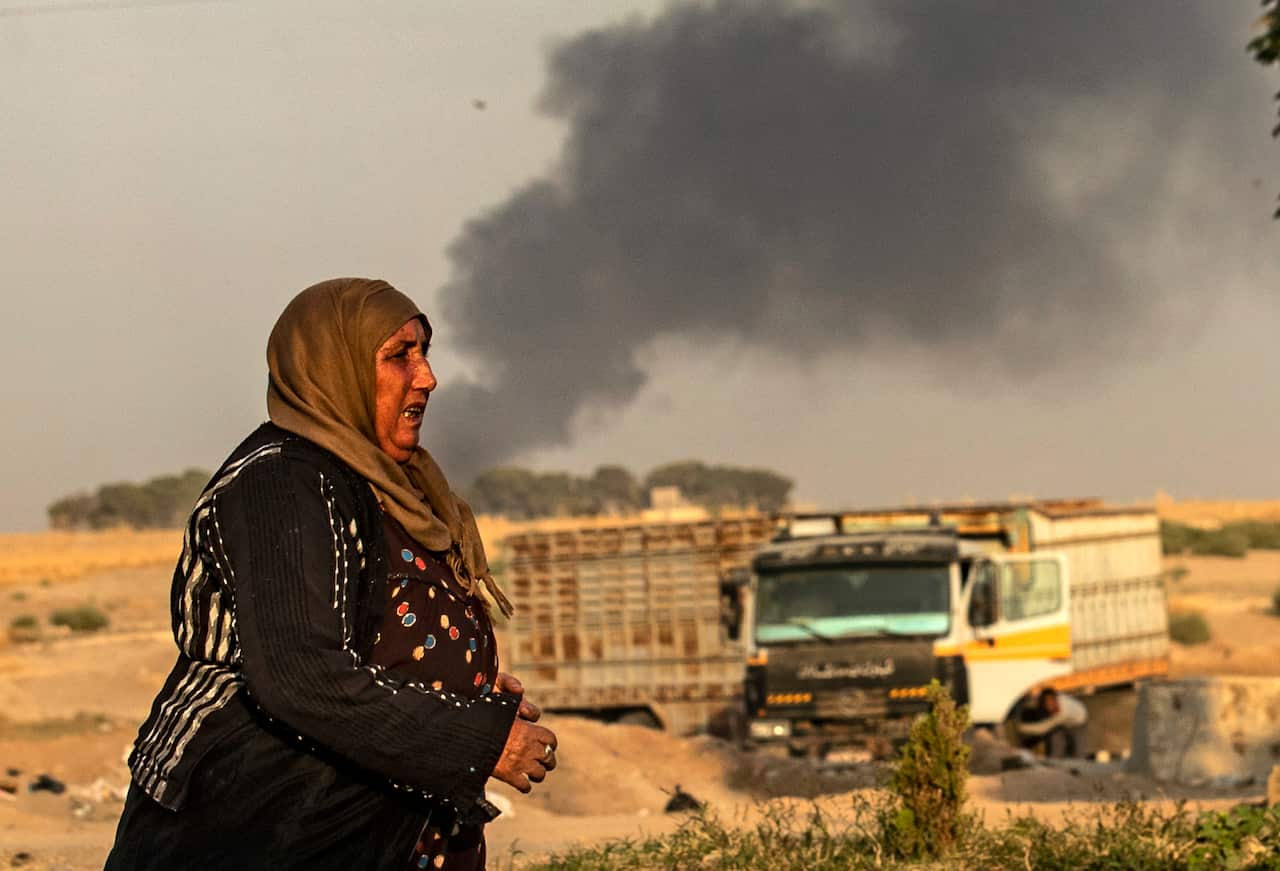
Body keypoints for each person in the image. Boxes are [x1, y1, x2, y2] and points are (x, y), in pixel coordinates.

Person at [105, 278, 556, 870]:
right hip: (261, 822)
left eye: (425, 352)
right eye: (400, 356)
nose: (427, 377)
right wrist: (474, 740)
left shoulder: (388, 486)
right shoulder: (284, 485)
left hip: (367, 819)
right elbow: (302, 675)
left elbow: (368, 632)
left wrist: (459, 691)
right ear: (332, 369)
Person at [1016, 688, 1088, 758]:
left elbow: (1042, 728)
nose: (1050, 705)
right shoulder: (1057, 700)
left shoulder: (1062, 713)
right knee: (1056, 742)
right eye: (1047, 703)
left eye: (1051, 701)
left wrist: (1021, 727)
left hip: (1079, 722)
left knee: (1078, 752)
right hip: (1068, 718)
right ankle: (1055, 761)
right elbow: (1035, 703)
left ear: (1055, 698)